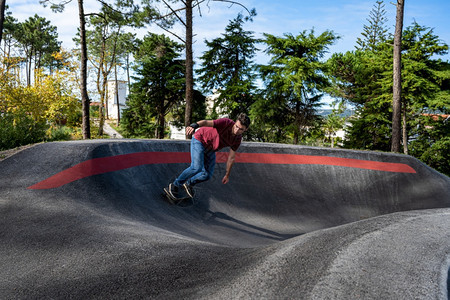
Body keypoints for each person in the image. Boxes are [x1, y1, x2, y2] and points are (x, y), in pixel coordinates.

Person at [167, 113, 251, 199]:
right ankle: (175, 185)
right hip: (200, 140)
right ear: (235, 122)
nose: (237, 130)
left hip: (211, 150)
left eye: (241, 129)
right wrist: (194, 125)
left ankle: (189, 184)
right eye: (236, 126)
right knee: (196, 167)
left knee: (207, 175)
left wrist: (227, 175)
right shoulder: (226, 123)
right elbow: (206, 122)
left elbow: (231, 158)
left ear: (245, 129)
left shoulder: (237, 140)